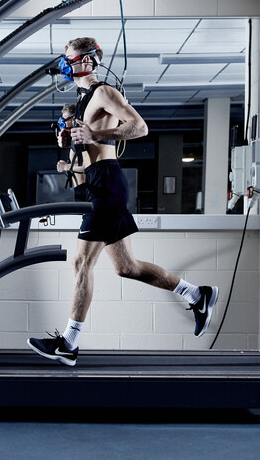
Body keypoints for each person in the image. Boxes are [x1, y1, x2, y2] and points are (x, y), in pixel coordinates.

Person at [28, 37, 218, 366]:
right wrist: (68, 141)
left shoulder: (103, 92)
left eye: (68, 58)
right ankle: (197, 294)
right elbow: (86, 143)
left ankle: (69, 345)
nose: (64, 64)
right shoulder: (83, 98)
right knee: (126, 268)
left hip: (107, 183)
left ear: (86, 61)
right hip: (94, 184)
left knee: (80, 264)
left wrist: (95, 136)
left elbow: (139, 127)